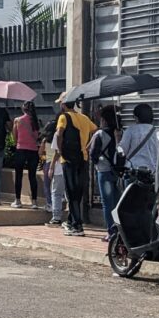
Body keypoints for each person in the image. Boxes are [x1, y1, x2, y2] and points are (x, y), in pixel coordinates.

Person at [55, 94, 97, 237]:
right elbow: (95, 130)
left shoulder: (63, 117)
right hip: (83, 159)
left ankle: (77, 225)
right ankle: (72, 220)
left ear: (64, 104)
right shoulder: (84, 118)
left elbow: (59, 134)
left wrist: (61, 151)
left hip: (68, 159)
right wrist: (87, 147)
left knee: (71, 191)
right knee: (77, 192)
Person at [89, 105, 121, 241]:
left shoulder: (100, 134)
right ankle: (120, 230)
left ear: (104, 119)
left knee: (107, 203)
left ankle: (111, 231)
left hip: (103, 171)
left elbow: (93, 155)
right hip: (118, 172)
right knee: (117, 202)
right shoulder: (120, 132)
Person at [11, 101, 41, 209]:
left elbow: (14, 135)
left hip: (21, 149)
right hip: (33, 150)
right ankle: (34, 202)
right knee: (32, 176)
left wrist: (17, 143)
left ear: (23, 108)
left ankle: (18, 200)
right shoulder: (36, 121)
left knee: (18, 175)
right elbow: (37, 136)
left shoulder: (18, 120)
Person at [118, 103, 159, 173]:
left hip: (133, 171)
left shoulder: (130, 131)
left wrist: (117, 139)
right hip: (152, 172)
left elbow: (121, 152)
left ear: (136, 117)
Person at [44, 122, 66, 226]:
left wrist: (51, 167)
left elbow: (57, 152)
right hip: (71, 167)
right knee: (69, 194)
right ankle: (72, 218)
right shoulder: (75, 131)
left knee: (56, 193)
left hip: (59, 168)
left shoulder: (58, 134)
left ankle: (56, 218)